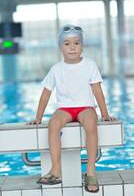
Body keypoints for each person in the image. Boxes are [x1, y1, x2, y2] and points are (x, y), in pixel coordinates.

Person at [29, 24, 116, 193]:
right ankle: (56, 169)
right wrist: (38, 117)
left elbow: (97, 91)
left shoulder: (89, 65)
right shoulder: (56, 69)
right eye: (67, 44)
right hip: (66, 109)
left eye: (76, 43)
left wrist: (104, 114)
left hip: (85, 107)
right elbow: (46, 94)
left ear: (82, 46)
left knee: (91, 123)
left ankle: (90, 170)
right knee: (53, 124)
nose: (72, 47)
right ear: (61, 47)